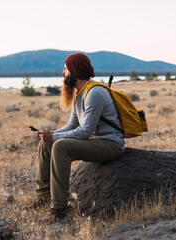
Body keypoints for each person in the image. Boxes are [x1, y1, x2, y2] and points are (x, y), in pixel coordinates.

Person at [34, 53, 125, 222]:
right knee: (46, 144)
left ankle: (59, 209)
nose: (63, 73)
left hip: (110, 145)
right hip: (96, 142)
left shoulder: (94, 93)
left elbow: (85, 132)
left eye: (66, 68)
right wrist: (49, 136)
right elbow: (72, 126)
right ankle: (43, 196)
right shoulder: (79, 94)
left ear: (75, 71)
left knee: (60, 146)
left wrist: (54, 136)